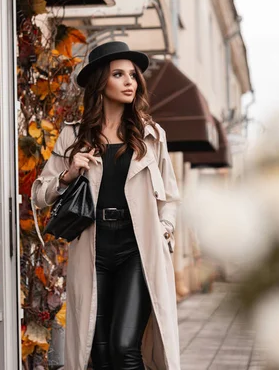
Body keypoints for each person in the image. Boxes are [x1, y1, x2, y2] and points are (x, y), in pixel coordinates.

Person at [32, 41, 181, 370]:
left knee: (124, 346)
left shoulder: (150, 136)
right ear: (101, 82)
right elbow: (40, 195)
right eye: (119, 74)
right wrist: (69, 174)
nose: (130, 81)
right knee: (96, 351)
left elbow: (169, 196)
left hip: (138, 249)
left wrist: (165, 230)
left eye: (132, 75)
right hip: (93, 251)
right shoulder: (73, 136)